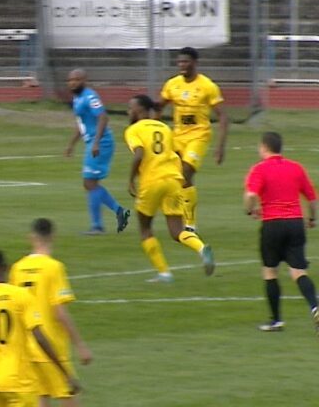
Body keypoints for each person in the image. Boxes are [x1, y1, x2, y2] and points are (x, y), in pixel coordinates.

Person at [0, 248, 80, 407]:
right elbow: (39, 338)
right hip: (19, 381)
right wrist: (65, 373)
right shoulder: (20, 296)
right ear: (6, 268)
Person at [122, 95, 214, 282]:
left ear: (140, 110)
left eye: (130, 108)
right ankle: (201, 248)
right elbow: (176, 154)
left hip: (152, 181)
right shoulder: (164, 128)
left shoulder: (133, 129)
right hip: (173, 180)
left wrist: (131, 180)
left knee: (145, 228)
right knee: (177, 230)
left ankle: (164, 273)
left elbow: (139, 154)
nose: (128, 112)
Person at [10, 218, 92, 407]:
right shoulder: (54, 268)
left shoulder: (17, 268)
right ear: (53, 236)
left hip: (28, 348)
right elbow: (59, 312)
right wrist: (80, 345)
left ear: (31, 237)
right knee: (69, 397)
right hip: (51, 347)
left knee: (41, 398)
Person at [244, 132, 319, 333]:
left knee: (270, 271)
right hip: (295, 223)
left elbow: (251, 195)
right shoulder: (296, 167)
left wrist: (250, 209)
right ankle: (315, 307)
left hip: (272, 224)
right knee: (298, 272)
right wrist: (312, 218)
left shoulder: (259, 169)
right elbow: (312, 198)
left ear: (263, 148)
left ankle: (276, 320)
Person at [158, 46, 228, 233]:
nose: (182, 65)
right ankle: (182, 217)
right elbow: (158, 107)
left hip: (198, 136)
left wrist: (220, 147)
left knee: (186, 172)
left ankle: (189, 223)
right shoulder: (172, 84)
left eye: (186, 61)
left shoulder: (207, 86)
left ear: (195, 63)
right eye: (180, 61)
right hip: (177, 136)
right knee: (176, 178)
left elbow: (223, 117)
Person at [63, 69, 130, 235]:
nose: (73, 83)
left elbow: (103, 117)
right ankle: (119, 212)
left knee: (89, 183)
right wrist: (71, 144)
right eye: (70, 80)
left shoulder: (90, 96)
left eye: (77, 80)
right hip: (93, 142)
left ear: (84, 80)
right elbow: (82, 124)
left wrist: (96, 142)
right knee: (90, 183)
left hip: (102, 143)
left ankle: (98, 226)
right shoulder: (77, 98)